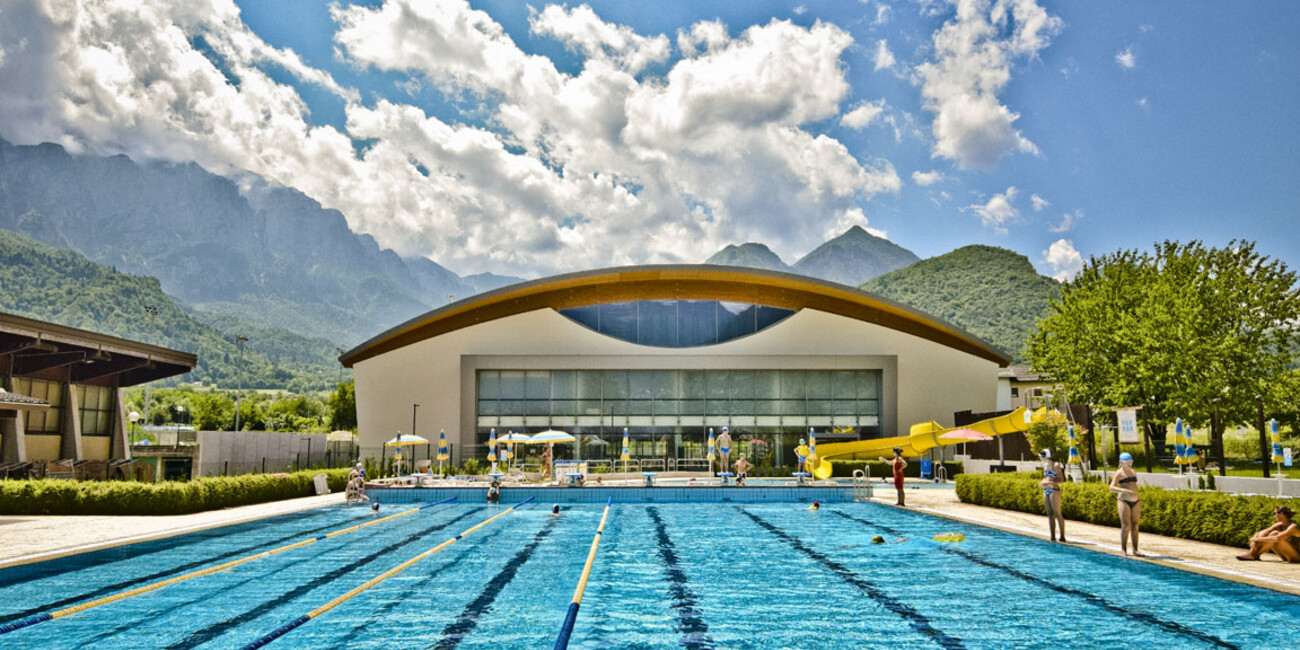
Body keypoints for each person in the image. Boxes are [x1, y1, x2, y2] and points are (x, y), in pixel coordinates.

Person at [1109, 452, 1143, 556]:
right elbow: (1111, 487)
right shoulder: (1119, 473)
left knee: (1136, 525)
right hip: (1124, 501)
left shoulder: (1133, 472)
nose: (1129, 464)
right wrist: (1124, 491)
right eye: (1127, 462)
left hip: (1136, 501)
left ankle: (1135, 550)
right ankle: (1123, 549)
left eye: (1131, 462)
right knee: (1126, 526)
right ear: (1122, 463)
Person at [1039, 449, 1066, 543]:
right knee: (1049, 513)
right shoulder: (1045, 466)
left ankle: (1062, 536)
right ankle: (1052, 537)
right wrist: (1043, 481)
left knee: (1057, 513)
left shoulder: (1056, 465)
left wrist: (1049, 482)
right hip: (1046, 490)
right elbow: (1045, 477)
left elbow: (1061, 480)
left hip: (1054, 490)